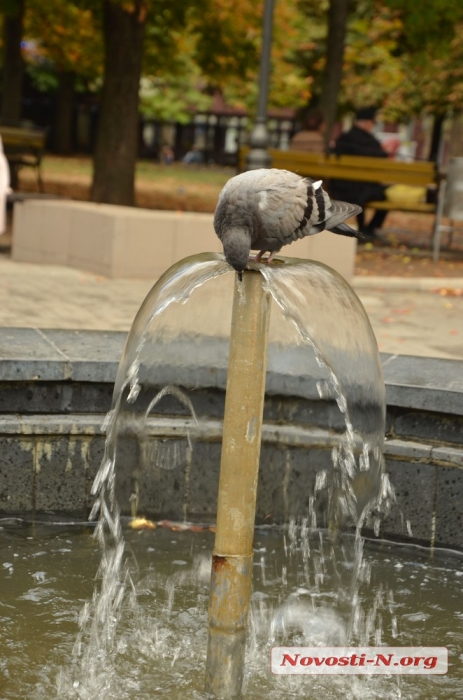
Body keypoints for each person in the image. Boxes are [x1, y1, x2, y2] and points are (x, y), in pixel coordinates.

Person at [330, 106, 397, 239]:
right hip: (361, 190)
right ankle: (369, 229)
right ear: (367, 123)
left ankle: (365, 229)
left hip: (339, 188)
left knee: (362, 192)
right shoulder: (370, 142)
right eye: (372, 123)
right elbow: (381, 159)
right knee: (382, 196)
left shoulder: (343, 138)